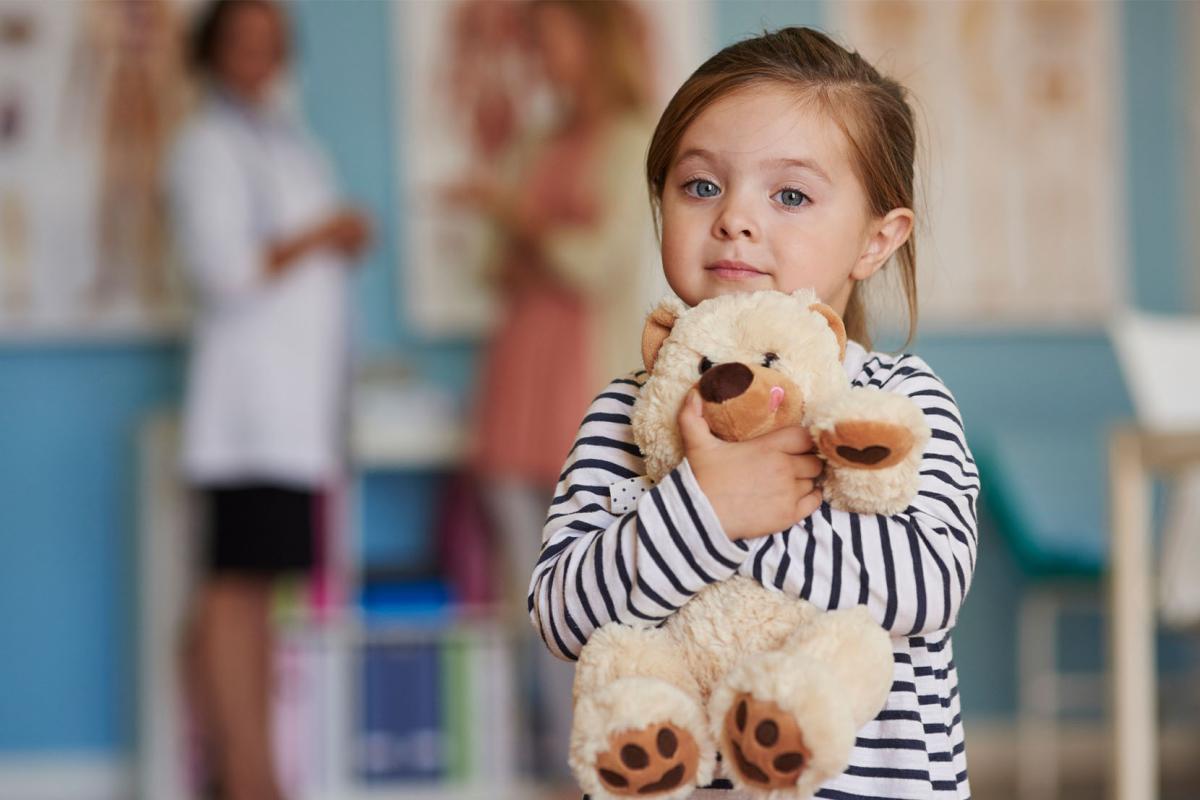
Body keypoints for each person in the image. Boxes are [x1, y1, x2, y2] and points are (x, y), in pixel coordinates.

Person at [528, 26, 978, 800]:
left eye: (791, 195)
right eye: (700, 186)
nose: (735, 217)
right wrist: (703, 507)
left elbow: (929, 585)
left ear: (877, 240)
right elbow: (563, 614)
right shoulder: (623, 414)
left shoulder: (896, 402)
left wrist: (759, 515)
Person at [445, 0, 660, 783]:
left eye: (550, 41)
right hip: (514, 380)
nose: (541, 58)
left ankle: (602, 764)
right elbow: (492, 267)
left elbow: (596, 261)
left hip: (581, 386)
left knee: (595, 592)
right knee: (522, 593)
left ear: (593, 43)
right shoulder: (537, 141)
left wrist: (517, 223)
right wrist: (530, 240)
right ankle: (541, 763)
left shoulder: (634, 139)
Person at [167, 2, 370, 799]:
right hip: (247, 412)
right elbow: (224, 269)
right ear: (210, 50)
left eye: (272, 43)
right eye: (243, 42)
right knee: (232, 587)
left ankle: (256, 771)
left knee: (258, 592)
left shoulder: (285, 140)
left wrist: (331, 236)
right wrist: (326, 234)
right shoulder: (206, 146)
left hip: (292, 413)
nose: (260, 57)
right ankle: (246, 774)